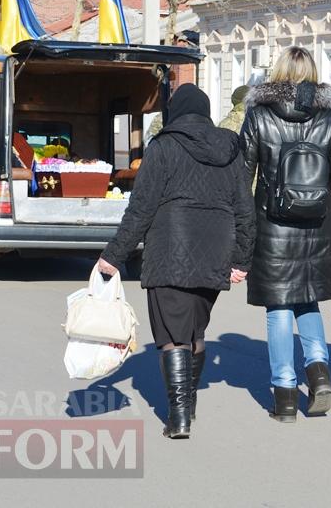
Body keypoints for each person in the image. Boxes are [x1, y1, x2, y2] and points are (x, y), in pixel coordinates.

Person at [98, 84, 255, 439]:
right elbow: (246, 209)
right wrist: (242, 258)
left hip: (170, 248)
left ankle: (180, 417)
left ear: (175, 113)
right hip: (216, 249)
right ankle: (190, 406)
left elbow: (141, 208)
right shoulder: (231, 148)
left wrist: (113, 256)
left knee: (172, 336)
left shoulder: (164, 146)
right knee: (195, 331)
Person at [240, 46, 331, 423]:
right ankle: (319, 374)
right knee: (308, 301)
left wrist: (243, 221)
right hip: (317, 225)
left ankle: (285, 395)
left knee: (279, 308)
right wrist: (326, 200)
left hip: (272, 226)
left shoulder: (259, 115)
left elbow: (244, 173)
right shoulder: (328, 116)